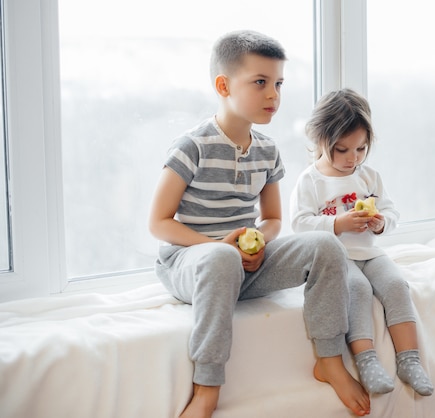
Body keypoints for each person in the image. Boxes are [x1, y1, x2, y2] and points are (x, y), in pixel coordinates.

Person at [148, 31, 371, 418]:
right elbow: (159, 223)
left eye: (279, 84)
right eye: (260, 83)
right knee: (220, 259)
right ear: (223, 85)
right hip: (191, 265)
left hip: (246, 265)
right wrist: (219, 245)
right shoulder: (192, 146)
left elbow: (272, 220)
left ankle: (330, 360)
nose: (274, 95)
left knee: (325, 245)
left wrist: (259, 244)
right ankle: (207, 389)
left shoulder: (267, 150)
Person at [290, 88, 434, 398]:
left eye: (361, 149)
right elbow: (299, 226)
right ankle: (366, 360)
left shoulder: (369, 176)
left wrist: (382, 223)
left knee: (396, 284)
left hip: (370, 252)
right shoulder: (311, 181)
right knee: (357, 290)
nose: (352, 158)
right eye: (342, 150)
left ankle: (410, 360)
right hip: (338, 259)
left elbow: (391, 210)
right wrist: (337, 224)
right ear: (320, 141)